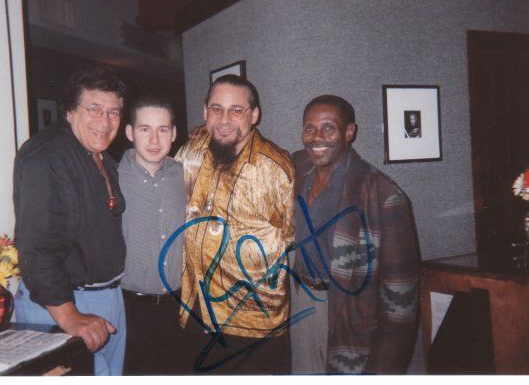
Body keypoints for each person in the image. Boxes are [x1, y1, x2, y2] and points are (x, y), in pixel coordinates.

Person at [289, 95, 420, 374]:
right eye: (309, 128)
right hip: (301, 301)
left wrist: (385, 367)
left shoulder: (383, 195)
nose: (316, 137)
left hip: (348, 313)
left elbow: (401, 296)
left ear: (349, 131)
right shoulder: (298, 169)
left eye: (328, 128)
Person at [174, 74, 295, 374]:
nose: (224, 119)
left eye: (236, 110)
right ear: (205, 112)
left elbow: (291, 234)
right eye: (216, 109)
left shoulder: (274, 168)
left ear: (254, 115)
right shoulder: (191, 153)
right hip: (197, 310)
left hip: (252, 322)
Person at [13, 66, 127, 376]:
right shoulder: (49, 155)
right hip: (65, 304)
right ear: (70, 112)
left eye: (113, 112)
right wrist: (69, 316)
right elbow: (39, 246)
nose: (105, 121)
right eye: (94, 109)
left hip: (104, 299)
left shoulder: (101, 157)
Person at [118, 95, 188, 374]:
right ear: (130, 132)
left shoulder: (185, 175)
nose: (154, 140)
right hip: (129, 310)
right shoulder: (111, 178)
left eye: (163, 130)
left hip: (178, 308)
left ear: (174, 133)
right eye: (145, 129)